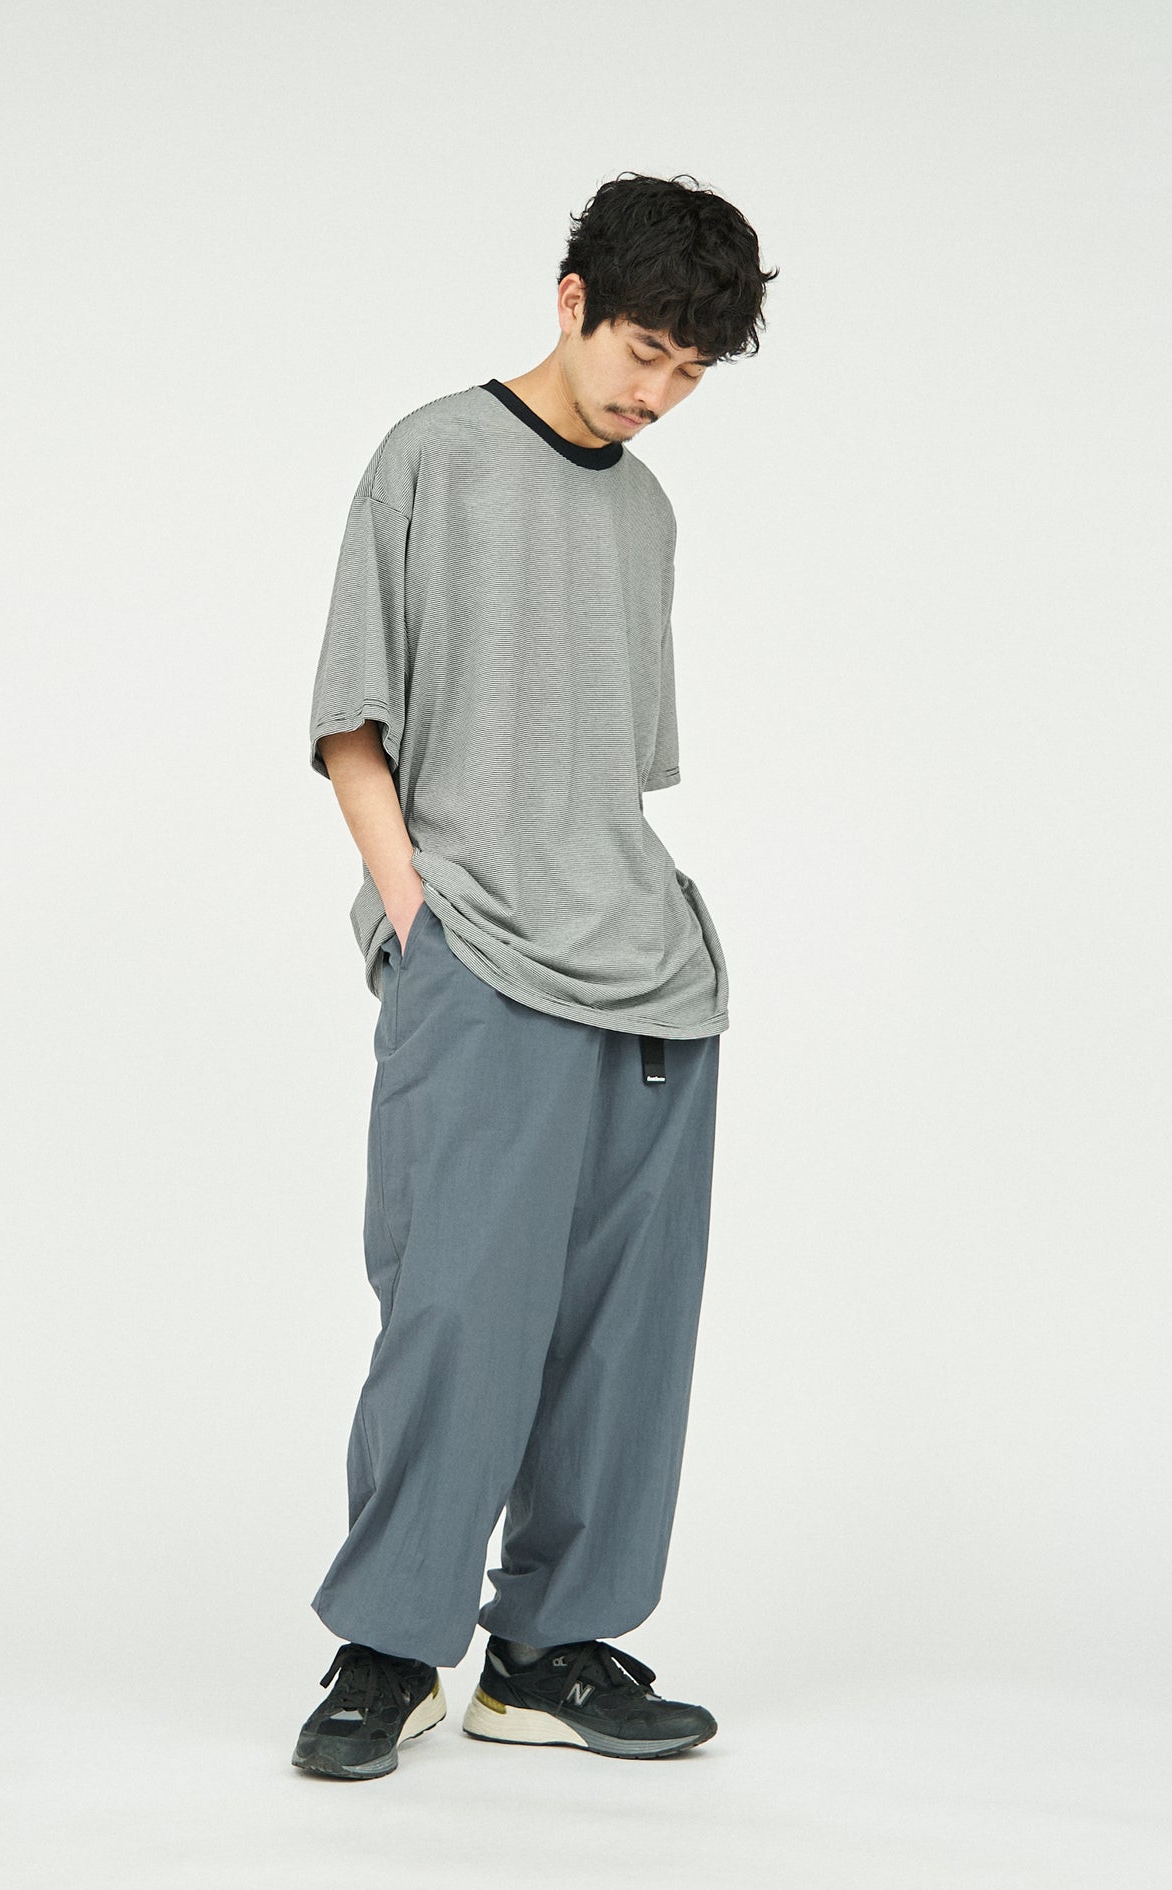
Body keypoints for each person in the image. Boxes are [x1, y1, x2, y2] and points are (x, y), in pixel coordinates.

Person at [292, 171, 775, 1780]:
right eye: (644, 350)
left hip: (651, 979)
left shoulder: (646, 512)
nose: (659, 394)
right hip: (481, 952)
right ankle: (390, 1645)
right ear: (572, 300)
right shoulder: (431, 457)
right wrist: (415, 914)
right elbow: (354, 726)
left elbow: (613, 771)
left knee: (626, 1336)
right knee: (453, 1307)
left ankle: (553, 1649)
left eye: (690, 374)